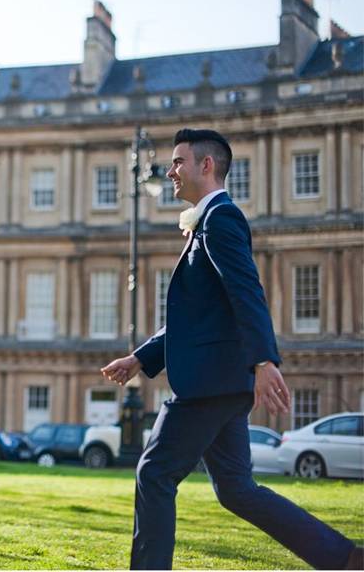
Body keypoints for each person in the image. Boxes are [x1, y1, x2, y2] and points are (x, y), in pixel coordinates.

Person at [101, 129, 361, 570]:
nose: (170, 172)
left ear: (206, 165)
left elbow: (247, 292)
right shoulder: (208, 221)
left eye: (178, 161)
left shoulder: (221, 218)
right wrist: (141, 358)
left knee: (154, 472)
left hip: (209, 383)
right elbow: (200, 317)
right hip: (221, 380)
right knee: (237, 489)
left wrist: (264, 360)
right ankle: (343, 558)